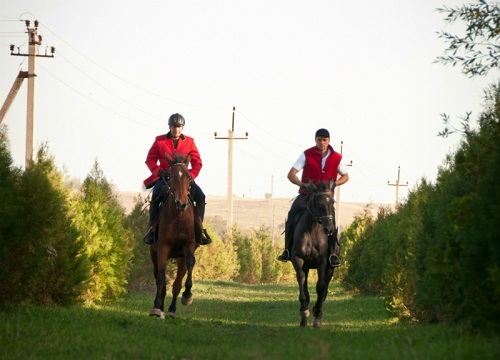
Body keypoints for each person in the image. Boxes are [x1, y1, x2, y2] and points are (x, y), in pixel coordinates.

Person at [277, 128, 349, 268]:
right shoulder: (306, 155)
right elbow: (291, 174)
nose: (321, 143)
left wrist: (334, 184)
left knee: (332, 223)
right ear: (315, 140)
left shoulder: (337, 158)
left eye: (324, 140)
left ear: (328, 141)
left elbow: (346, 176)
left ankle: (333, 254)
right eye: (319, 140)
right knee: (291, 215)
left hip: (324, 200)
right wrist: (302, 184)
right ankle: (287, 250)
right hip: (306, 197)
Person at [143, 113, 211, 246]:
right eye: (174, 126)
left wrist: (190, 176)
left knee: (201, 197)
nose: (177, 129)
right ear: (169, 126)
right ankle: (152, 230)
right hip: (165, 178)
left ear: (182, 128)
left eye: (179, 127)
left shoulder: (190, 142)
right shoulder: (159, 141)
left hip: (184, 180)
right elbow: (150, 160)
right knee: (155, 197)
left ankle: (199, 230)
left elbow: (198, 163)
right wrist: (158, 171)